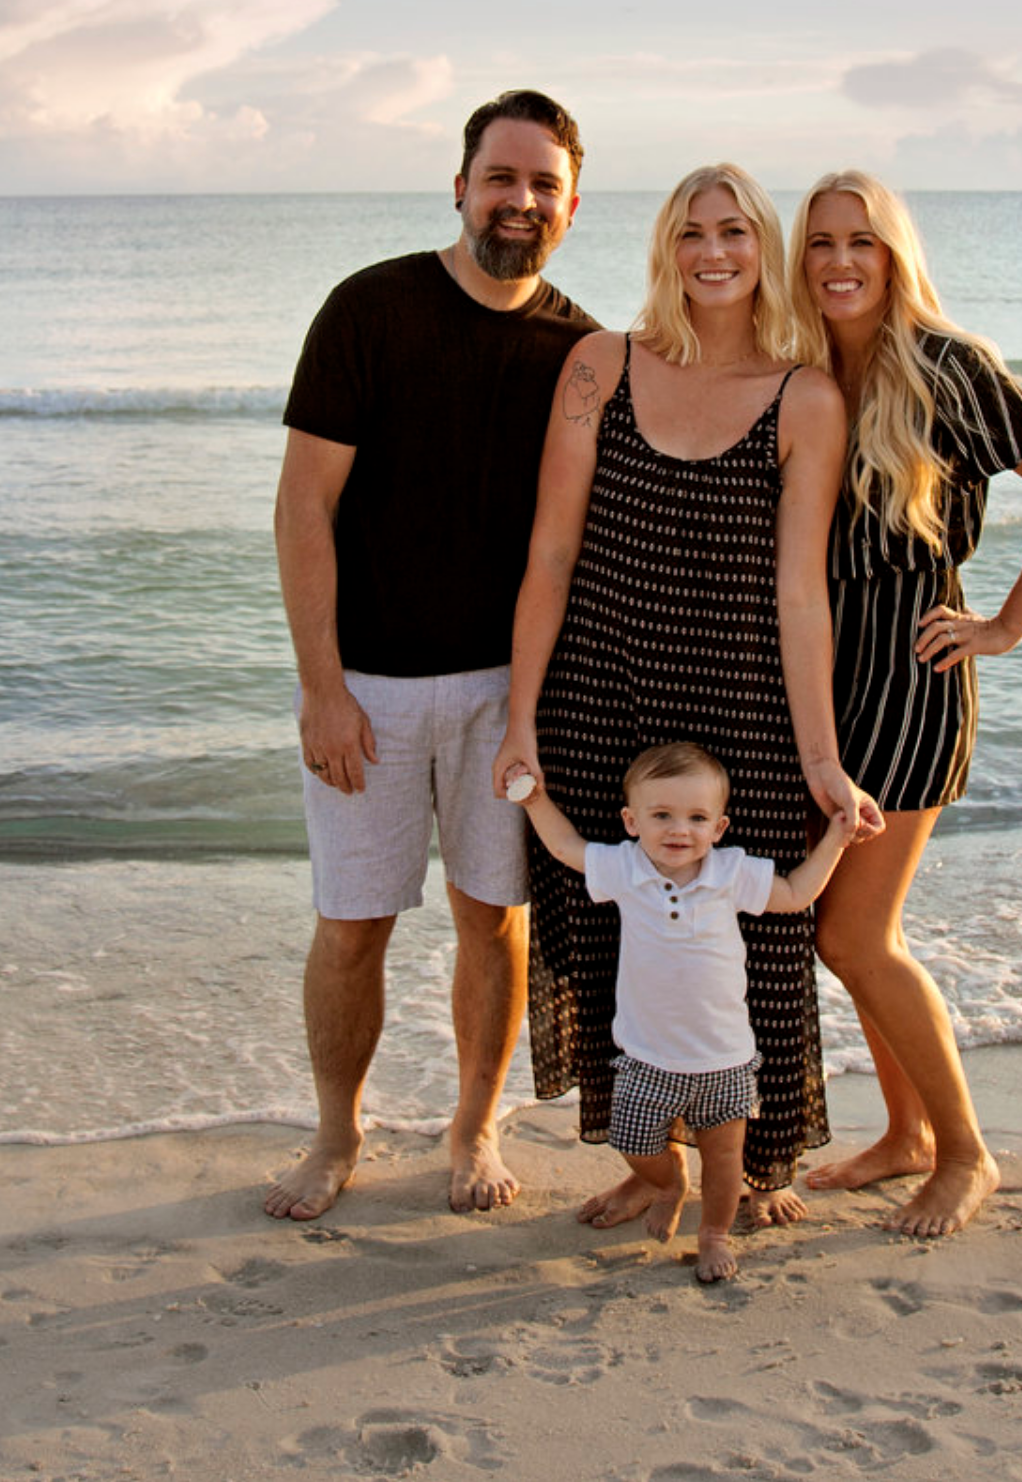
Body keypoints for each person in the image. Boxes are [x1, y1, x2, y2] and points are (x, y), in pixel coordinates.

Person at [494, 162, 877, 1233]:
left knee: (751, 942)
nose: (713, 252)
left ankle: (748, 1167)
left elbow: (801, 594)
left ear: (764, 250)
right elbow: (551, 549)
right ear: (665, 247)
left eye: (736, 232)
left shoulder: (805, 394)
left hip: (741, 705)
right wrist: (519, 715)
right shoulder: (598, 365)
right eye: (691, 232)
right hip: (598, 694)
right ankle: (653, 1164)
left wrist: (819, 758)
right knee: (613, 933)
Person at [265, 89, 600, 1222]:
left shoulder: (581, 351)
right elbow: (302, 507)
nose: (518, 200)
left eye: (542, 184)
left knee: (489, 919)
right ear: (458, 185)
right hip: (366, 685)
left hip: (507, 696)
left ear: (570, 204)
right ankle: (335, 1134)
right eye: (500, 177)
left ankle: (472, 1128)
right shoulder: (368, 309)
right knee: (351, 922)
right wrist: (320, 688)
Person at [790, 169, 1022, 1237]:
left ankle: (964, 1154)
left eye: (860, 243)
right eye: (821, 242)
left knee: (854, 934)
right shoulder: (801, 362)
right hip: (821, 682)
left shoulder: (945, 366)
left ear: (892, 255)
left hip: (911, 671)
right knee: (843, 931)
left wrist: (1006, 626)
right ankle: (901, 1136)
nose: (839, 261)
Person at [507, 742, 849, 1281]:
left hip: (727, 1061)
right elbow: (567, 847)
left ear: (719, 827)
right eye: (661, 815)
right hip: (646, 1059)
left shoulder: (730, 872)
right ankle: (667, 1182)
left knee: (725, 1162)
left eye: (696, 818)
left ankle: (713, 1233)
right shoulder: (625, 867)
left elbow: (796, 893)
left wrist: (838, 835)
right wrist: (532, 802)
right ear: (631, 820)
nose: (678, 829)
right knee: (633, 1141)